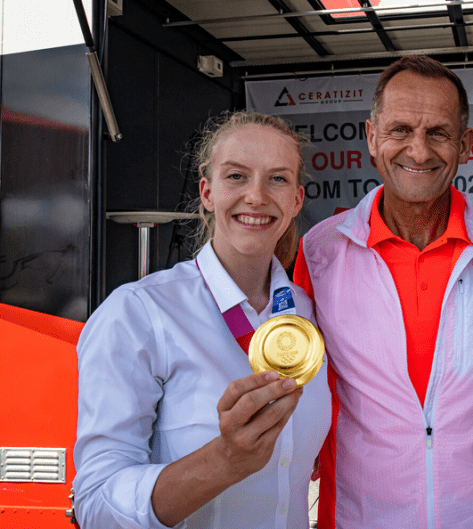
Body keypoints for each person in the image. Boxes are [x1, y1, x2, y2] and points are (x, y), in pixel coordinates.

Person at [293, 56, 473, 528]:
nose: (419, 151)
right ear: (373, 137)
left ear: (465, 145)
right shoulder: (321, 251)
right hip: (359, 517)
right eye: (400, 130)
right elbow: (297, 386)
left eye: (438, 133)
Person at [73, 112, 331, 529]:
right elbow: (95, 504)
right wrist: (224, 461)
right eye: (236, 176)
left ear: (297, 200)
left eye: (278, 179)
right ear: (207, 192)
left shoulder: (307, 313)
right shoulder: (138, 313)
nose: (256, 196)